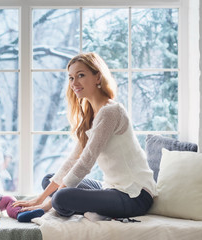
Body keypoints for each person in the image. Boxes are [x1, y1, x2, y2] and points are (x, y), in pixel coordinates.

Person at [13, 52, 157, 221]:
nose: (74, 83)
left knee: (60, 196)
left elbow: (86, 161)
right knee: (49, 180)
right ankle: (72, 207)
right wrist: (38, 198)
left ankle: (64, 206)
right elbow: (74, 158)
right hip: (110, 188)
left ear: (98, 77)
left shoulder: (110, 111)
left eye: (81, 75)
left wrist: (46, 206)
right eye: (71, 78)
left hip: (135, 195)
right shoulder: (91, 114)